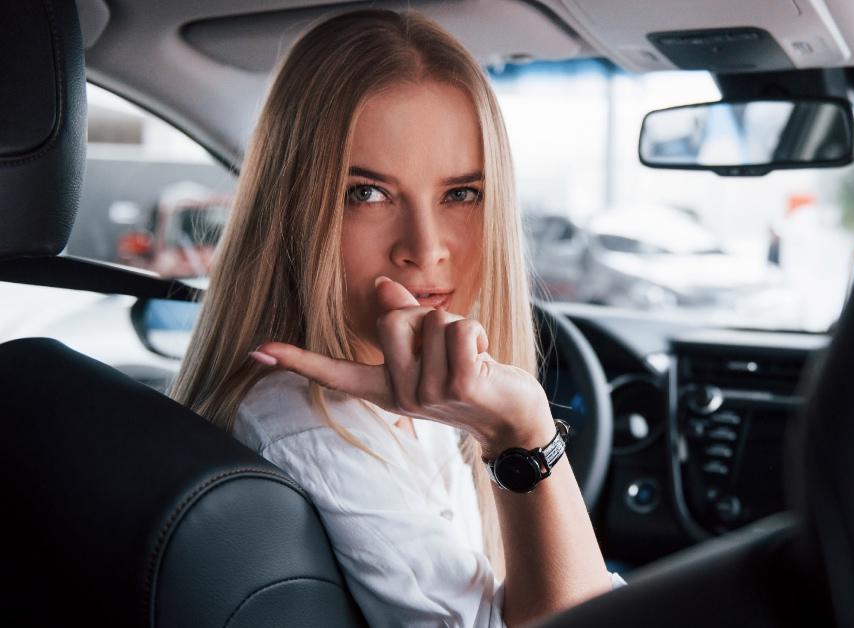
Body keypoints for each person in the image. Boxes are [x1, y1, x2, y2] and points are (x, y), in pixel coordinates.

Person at [168, 9, 624, 627]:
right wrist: (523, 431)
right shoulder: (304, 422)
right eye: (367, 193)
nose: (426, 246)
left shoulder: (408, 382)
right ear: (296, 211)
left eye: (461, 193)